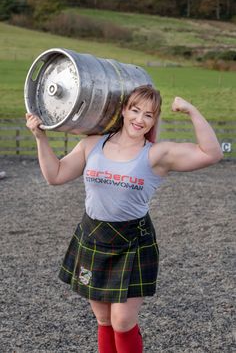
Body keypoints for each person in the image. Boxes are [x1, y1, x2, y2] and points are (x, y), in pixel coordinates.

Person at [26, 85, 223, 353]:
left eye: (149, 115)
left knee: (122, 321)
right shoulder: (93, 144)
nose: (140, 119)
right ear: (123, 110)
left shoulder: (156, 154)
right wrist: (40, 138)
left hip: (132, 243)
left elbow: (212, 153)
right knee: (104, 320)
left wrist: (191, 110)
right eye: (135, 110)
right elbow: (55, 175)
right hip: (93, 238)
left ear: (155, 120)